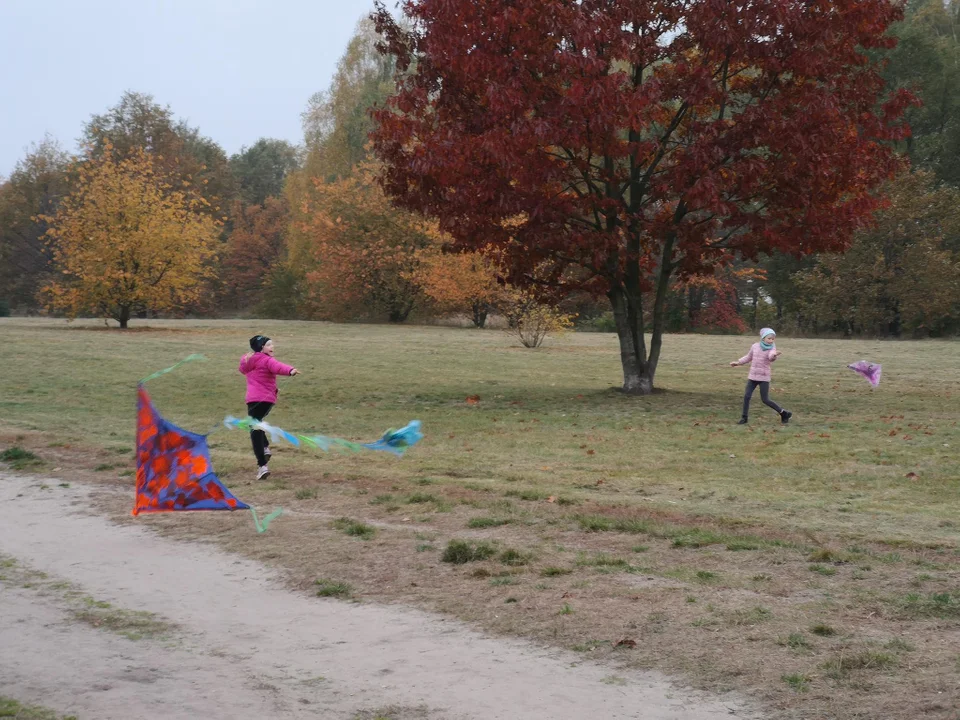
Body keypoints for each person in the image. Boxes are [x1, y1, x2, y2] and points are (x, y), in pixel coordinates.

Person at [239, 335, 299, 479]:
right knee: (256, 426)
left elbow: (242, 368)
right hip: (266, 401)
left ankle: (262, 464)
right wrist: (290, 370)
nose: (272, 347)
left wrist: (289, 370)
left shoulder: (248, 360)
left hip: (254, 400)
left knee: (255, 428)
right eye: (269, 345)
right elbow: (278, 367)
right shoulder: (266, 360)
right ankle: (264, 453)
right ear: (261, 347)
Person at [730, 328, 792, 425]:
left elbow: (770, 357)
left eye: (772, 339)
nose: (771, 341)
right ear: (763, 338)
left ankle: (783, 413)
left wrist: (774, 355)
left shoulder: (772, 348)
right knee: (747, 396)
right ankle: (744, 418)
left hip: (763, 377)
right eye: (769, 338)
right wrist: (738, 363)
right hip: (752, 377)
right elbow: (748, 357)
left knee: (765, 399)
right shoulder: (755, 346)